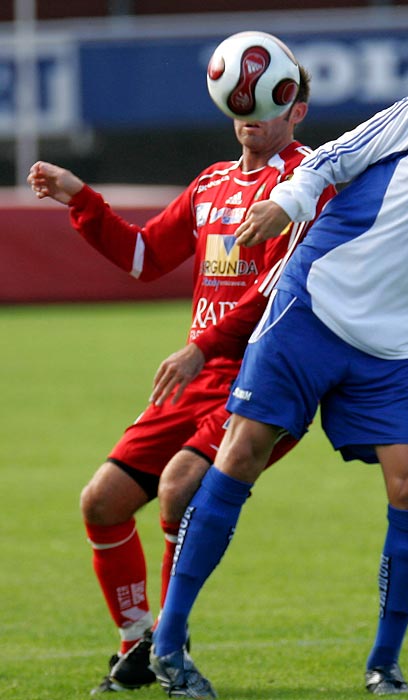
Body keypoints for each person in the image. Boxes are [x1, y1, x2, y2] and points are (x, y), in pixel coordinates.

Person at [148, 22, 408, 698]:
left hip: (396, 348)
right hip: (315, 304)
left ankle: (384, 666)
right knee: (241, 453)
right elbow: (332, 158)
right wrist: (287, 204)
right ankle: (167, 645)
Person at [27, 62, 334, 695]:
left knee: (179, 487)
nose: (248, 109)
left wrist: (199, 346)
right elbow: (144, 257)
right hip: (199, 376)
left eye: (267, 101)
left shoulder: (307, 184)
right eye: (238, 100)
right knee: (102, 503)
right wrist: (82, 199)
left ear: (296, 110)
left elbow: (284, 290)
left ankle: (172, 642)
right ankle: (138, 642)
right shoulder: (212, 184)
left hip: (265, 373)